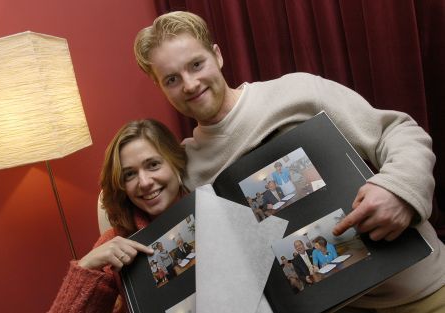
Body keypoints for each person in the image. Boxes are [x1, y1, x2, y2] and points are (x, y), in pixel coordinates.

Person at [134, 11, 445, 311]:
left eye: (197, 64)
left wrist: (398, 188)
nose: (189, 85)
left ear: (217, 55)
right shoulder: (186, 166)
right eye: (172, 79)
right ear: (159, 87)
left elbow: (397, 132)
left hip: (418, 291)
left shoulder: (296, 92)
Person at [49, 119, 187, 313]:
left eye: (153, 164)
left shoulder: (210, 207)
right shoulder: (115, 241)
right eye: (129, 174)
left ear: (176, 162)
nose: (145, 182)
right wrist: (87, 265)